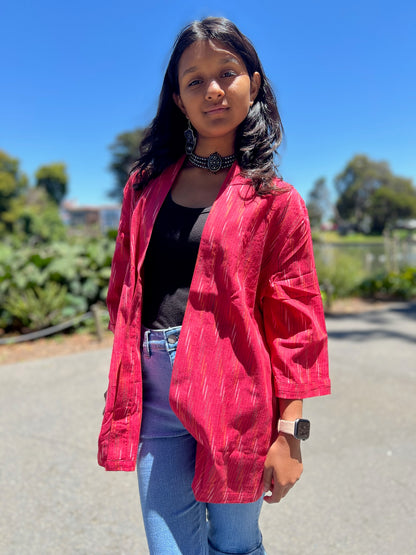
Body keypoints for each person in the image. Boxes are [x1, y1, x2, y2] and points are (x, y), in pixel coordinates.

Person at [98, 16, 330, 555]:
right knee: (170, 548)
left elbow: (296, 326)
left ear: (254, 82)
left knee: (235, 543)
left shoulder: (277, 202)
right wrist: (126, 386)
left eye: (227, 72)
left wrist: (290, 431)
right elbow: (124, 292)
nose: (214, 90)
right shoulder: (143, 187)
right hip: (157, 393)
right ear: (178, 99)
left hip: (236, 389)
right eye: (194, 80)